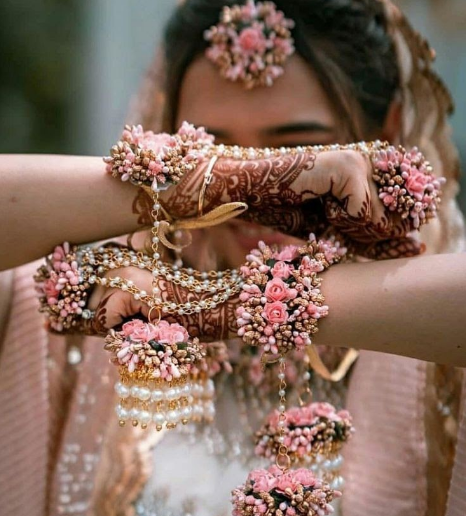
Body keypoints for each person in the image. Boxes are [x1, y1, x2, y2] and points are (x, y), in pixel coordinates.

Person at [0, 1, 465, 516]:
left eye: (299, 147)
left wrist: (213, 306)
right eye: (209, 149)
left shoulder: (435, 334)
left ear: (390, 132)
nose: (258, 206)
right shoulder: (91, 309)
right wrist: (220, 183)